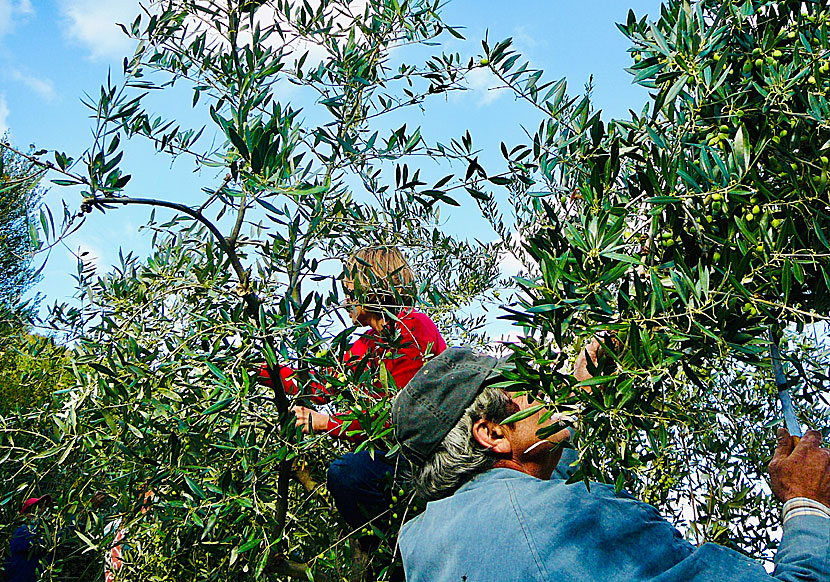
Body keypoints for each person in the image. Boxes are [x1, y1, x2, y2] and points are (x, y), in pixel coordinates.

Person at [392, 347, 830, 582]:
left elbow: (527, 495)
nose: (546, 389)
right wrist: (807, 502)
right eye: (526, 386)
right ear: (491, 434)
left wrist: (584, 389)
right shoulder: (573, 523)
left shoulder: (423, 541)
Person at [259, 247, 446, 537]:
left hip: (424, 458)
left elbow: (399, 416)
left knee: (347, 473)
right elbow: (319, 388)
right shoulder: (365, 345)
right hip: (394, 459)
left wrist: (325, 423)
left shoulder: (413, 329)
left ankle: (394, 545)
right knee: (349, 474)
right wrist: (265, 370)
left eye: (350, 290)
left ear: (373, 287)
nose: (345, 299)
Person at [3, 495, 52, 582]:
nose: (44, 509)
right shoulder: (24, 531)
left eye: (45, 506)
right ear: (28, 514)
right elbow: (48, 540)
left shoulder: (41, 530)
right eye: (40, 507)